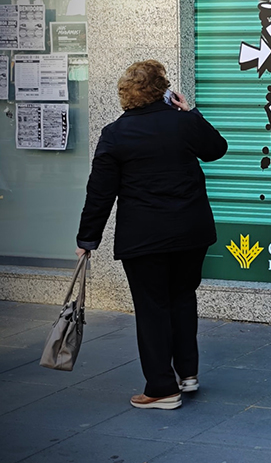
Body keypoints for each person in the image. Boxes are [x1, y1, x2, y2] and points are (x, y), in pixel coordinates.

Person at [76, 60, 227, 410]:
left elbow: (100, 193)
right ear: (163, 91)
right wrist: (191, 112)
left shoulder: (115, 134)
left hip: (144, 238)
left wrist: (87, 240)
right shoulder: (183, 123)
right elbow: (216, 149)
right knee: (182, 297)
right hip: (191, 233)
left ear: (126, 94)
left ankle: (162, 388)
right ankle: (187, 374)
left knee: (152, 307)